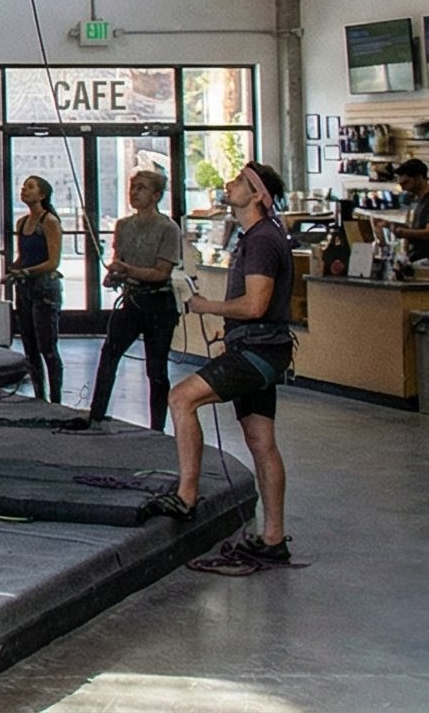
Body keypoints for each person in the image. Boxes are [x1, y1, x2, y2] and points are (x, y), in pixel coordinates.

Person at [149, 161, 298, 574]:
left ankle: (187, 496)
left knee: (181, 398)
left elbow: (255, 305)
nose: (229, 185)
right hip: (260, 347)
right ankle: (272, 538)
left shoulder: (263, 240)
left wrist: (204, 306)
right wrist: (228, 331)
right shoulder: (255, 237)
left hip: (258, 352)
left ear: (256, 194)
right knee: (261, 441)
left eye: (238, 181)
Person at [87, 169, 184, 429]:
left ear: (156, 195)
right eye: (132, 187)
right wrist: (115, 275)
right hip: (132, 300)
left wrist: (127, 270)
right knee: (109, 354)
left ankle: (158, 427)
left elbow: (161, 272)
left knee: (156, 369)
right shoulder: (123, 226)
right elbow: (121, 261)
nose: (134, 192)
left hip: (158, 305)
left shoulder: (168, 228)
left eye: (141, 188)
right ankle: (95, 414)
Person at [6, 175, 65, 403]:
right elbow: (24, 256)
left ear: (42, 195)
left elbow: (53, 262)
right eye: (23, 187)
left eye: (30, 187)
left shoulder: (49, 222)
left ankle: (56, 397)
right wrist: (14, 270)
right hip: (25, 288)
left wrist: (26, 272)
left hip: (45, 288)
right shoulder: (22, 223)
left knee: (47, 346)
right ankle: (40, 396)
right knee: (30, 345)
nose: (24, 190)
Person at [388, 158, 429, 274]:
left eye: (406, 183)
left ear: (419, 178)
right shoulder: (417, 202)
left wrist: (404, 232)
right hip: (416, 262)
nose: (403, 188)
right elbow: (418, 228)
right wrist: (391, 225)